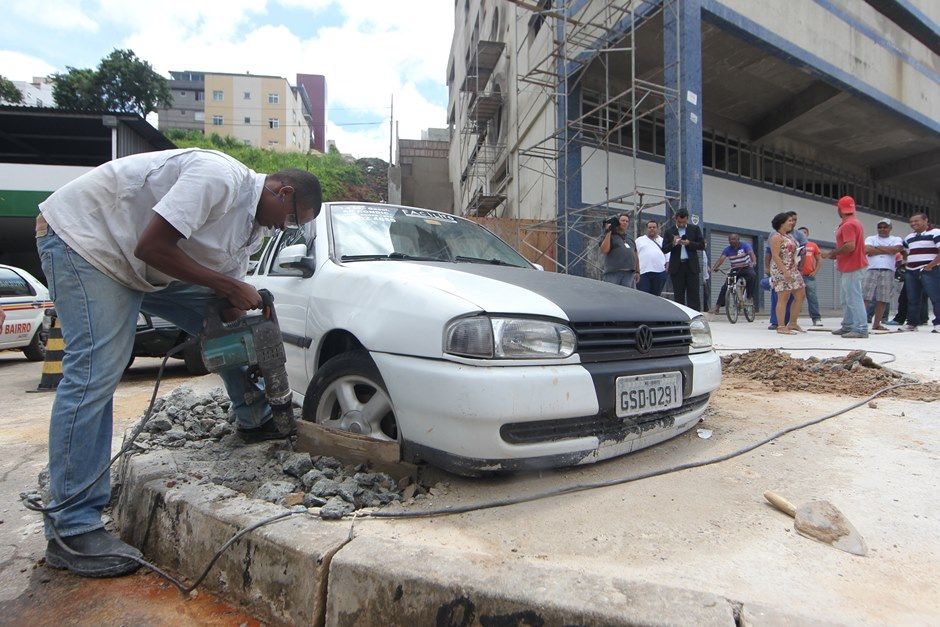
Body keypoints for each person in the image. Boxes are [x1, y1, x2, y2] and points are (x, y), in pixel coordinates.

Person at [35, 148, 322, 578]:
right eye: (295, 217)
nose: (288, 227)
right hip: (90, 242)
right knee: (95, 372)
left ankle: (255, 418)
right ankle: (71, 528)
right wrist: (227, 285)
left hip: (144, 265)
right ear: (283, 192)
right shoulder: (219, 177)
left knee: (240, 327)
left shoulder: (252, 232)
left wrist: (236, 306)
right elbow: (152, 245)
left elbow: (219, 303)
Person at [824, 196, 868, 338]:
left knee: (853, 297)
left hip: (852, 265)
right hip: (851, 265)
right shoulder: (854, 222)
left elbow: (850, 246)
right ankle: (848, 325)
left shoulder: (848, 225)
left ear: (839, 209)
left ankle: (861, 328)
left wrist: (833, 253)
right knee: (846, 297)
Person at [764, 211, 806, 329]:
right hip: (782, 269)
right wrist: (785, 271)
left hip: (793, 267)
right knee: (783, 296)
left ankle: (793, 323)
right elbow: (775, 256)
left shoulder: (789, 236)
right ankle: (781, 325)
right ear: (782, 223)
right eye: (789, 221)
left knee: (801, 294)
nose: (792, 223)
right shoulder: (776, 237)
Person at [900, 212, 940, 332]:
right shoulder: (909, 237)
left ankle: (938, 323)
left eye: (916, 221)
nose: (913, 224)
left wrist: (930, 266)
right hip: (911, 271)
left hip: (929, 270)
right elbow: (904, 250)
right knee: (912, 298)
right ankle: (912, 323)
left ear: (925, 220)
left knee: (936, 297)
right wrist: (906, 262)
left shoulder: (935, 232)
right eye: (911, 222)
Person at [863, 219, 903, 331]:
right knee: (865, 296)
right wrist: (888, 250)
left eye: (885, 227)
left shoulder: (896, 239)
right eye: (880, 227)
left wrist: (875, 249)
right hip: (871, 269)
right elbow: (866, 249)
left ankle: (876, 324)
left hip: (888, 270)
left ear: (890, 228)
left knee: (883, 298)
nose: (882, 229)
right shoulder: (870, 238)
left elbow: (897, 249)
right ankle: (861, 322)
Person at [661, 209, 705, 310]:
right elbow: (664, 249)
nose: (681, 224)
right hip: (677, 267)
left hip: (691, 266)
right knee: (678, 294)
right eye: (679, 222)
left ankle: (695, 317)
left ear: (687, 219)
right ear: (676, 219)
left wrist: (689, 243)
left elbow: (702, 245)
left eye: (684, 222)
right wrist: (674, 243)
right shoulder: (669, 231)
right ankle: (680, 318)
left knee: (693, 293)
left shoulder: (694, 229)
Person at [710, 233, 757, 315]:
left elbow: (751, 254)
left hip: (746, 267)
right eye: (730, 239)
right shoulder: (727, 250)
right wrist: (714, 268)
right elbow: (721, 259)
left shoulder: (745, 246)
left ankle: (749, 297)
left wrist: (753, 262)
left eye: (733, 239)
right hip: (735, 269)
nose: (731, 241)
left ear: (738, 240)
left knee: (752, 275)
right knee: (725, 286)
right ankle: (717, 307)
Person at [599, 213, 640, 288]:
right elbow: (604, 250)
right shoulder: (610, 236)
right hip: (613, 273)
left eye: (627, 221)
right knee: (612, 296)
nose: (625, 222)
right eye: (623, 220)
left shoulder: (630, 238)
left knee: (627, 297)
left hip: (629, 274)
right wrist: (609, 231)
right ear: (618, 222)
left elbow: (635, 255)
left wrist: (637, 271)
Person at [797, 227, 823, 326]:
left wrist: (815, 271)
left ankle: (816, 319)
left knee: (812, 298)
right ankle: (789, 319)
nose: (802, 234)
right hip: (796, 276)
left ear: (807, 234)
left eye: (804, 233)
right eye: (800, 233)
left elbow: (819, 259)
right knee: (791, 297)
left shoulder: (813, 245)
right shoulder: (794, 245)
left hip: (808, 276)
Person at [636, 219, 668, 296]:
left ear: (657, 229)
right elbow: (634, 254)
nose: (652, 229)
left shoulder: (663, 241)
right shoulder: (639, 240)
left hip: (659, 272)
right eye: (650, 227)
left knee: (656, 297)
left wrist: (667, 267)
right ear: (646, 229)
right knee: (643, 296)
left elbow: (668, 255)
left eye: (654, 227)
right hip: (643, 272)